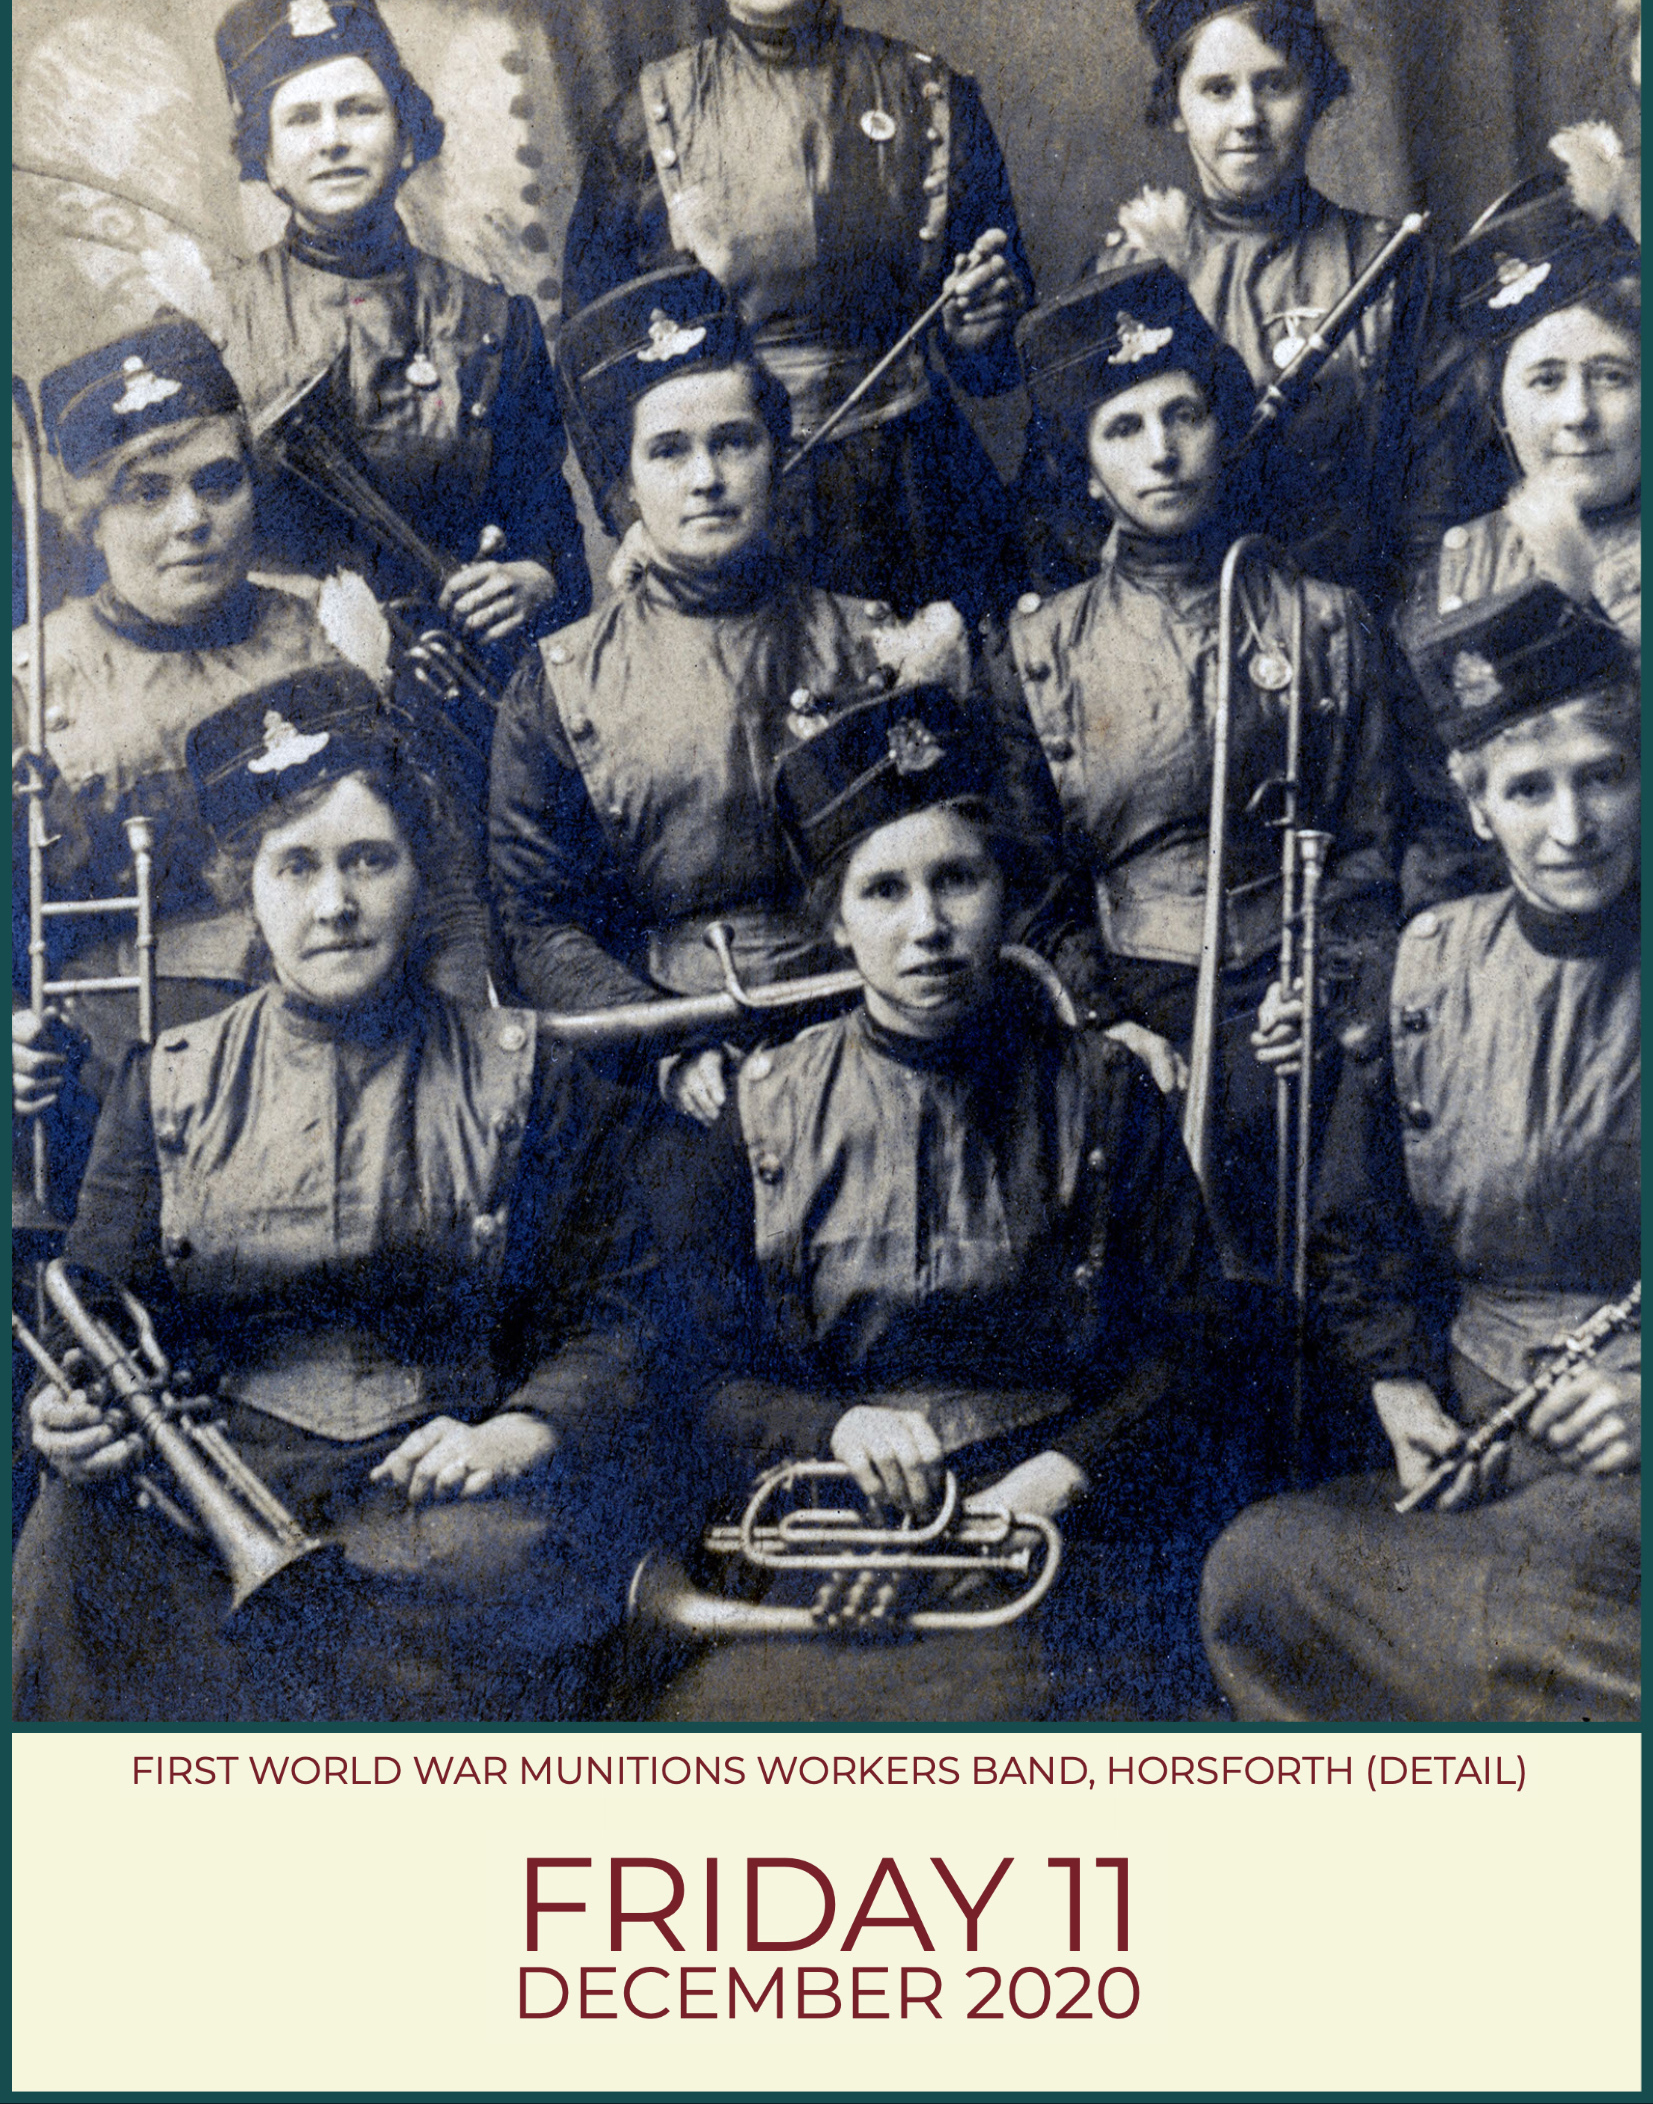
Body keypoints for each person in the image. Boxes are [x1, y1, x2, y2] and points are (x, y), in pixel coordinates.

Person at [13, 664, 691, 1722]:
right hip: (216, 1481)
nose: (335, 904)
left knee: (521, 1571)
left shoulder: (523, 1071)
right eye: (295, 866)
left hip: (436, 1482)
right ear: (244, 885)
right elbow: (92, 1311)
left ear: (420, 871)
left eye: (369, 860)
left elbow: (626, 1310)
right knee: (69, 1546)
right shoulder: (168, 1078)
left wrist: (521, 1431)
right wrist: (61, 1416)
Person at [636, 684, 1221, 1722]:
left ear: (1005, 889)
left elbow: (1191, 1343)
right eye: (883, 891)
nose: (928, 927)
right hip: (842, 1518)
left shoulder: (1104, 1089)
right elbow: (697, 1367)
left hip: (1063, 1524)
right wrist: (832, 1428)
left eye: (958, 878)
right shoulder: (762, 1108)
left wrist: (1064, 1470)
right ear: (834, 921)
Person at [1201, 582, 1639, 1722]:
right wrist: (1400, 1390)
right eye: (1528, 788)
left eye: (1603, 776)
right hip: (1492, 1448)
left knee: (1549, 1593)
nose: (1572, 825)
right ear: (1476, 804)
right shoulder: (1430, 963)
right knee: (1256, 1571)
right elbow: (1358, 1217)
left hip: (1632, 1474)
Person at [992, 261, 1399, 1290]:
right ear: (1086, 471)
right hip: (1133, 999)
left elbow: (1373, 841)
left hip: (1295, 993)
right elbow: (1032, 881)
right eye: (1123, 429)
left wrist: (1328, 986)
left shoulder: (1324, 620)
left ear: (1224, 427)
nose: (1162, 451)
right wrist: (1104, 1025)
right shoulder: (1039, 652)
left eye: (1183, 415)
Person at [490, 267, 965, 1125]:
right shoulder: (558, 684)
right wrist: (668, 1046)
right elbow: (539, 923)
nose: (705, 476)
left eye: (733, 442)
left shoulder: (874, 640)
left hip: (882, 1027)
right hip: (682, 1060)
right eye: (668, 451)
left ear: (775, 456)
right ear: (623, 486)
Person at [561, 0, 1032, 621]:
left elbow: (991, 369)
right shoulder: (643, 121)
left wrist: (977, 328)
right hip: (734, 510)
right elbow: (588, 351)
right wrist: (631, 515)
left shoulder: (933, 98)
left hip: (919, 495)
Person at [12, 322, 346, 1201]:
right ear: (89, 520)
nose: (191, 519)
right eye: (146, 494)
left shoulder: (324, 636)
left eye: (217, 482)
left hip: (332, 1081)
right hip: (113, 1109)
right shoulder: (31, 681)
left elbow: (436, 887)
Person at [210, 0, 589, 653]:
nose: (333, 139)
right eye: (301, 119)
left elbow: (549, 531)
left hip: (468, 666)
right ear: (267, 160)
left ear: (407, 136)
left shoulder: (494, 322)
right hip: (285, 668)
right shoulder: (212, 330)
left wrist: (533, 577)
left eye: (358, 109)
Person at [1077, 0, 1433, 608]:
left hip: (1358, 624)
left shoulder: (1392, 266)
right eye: (1217, 89)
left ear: (1317, 92)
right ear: (1174, 107)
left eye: (1274, 84)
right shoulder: (1120, 274)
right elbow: (1067, 506)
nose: (1248, 117)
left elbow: (1435, 500)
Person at [1400, 182, 1639, 655]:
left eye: (1611, 376)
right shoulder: (1459, 568)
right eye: (1546, 380)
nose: (1578, 413)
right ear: (1499, 407)